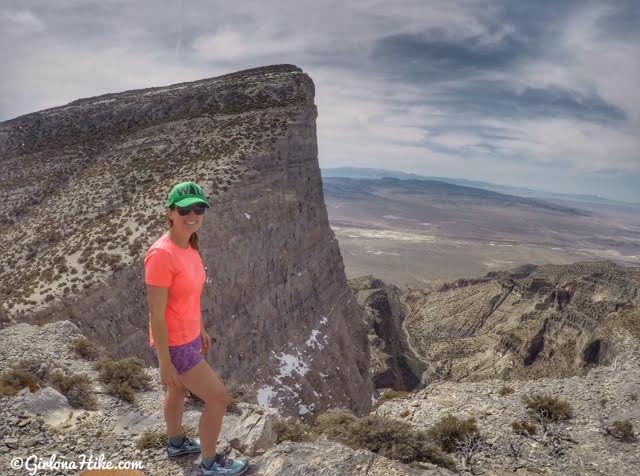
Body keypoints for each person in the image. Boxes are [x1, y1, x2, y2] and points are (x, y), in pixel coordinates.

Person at [144, 181, 249, 476]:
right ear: (170, 212)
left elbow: (190, 296)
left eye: (198, 208)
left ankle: (176, 443)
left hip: (188, 336)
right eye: (185, 209)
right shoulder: (161, 255)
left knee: (177, 391)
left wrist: (200, 327)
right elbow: (156, 312)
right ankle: (210, 463)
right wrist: (165, 360)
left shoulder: (190, 246)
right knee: (217, 397)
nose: (193, 214)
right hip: (174, 343)